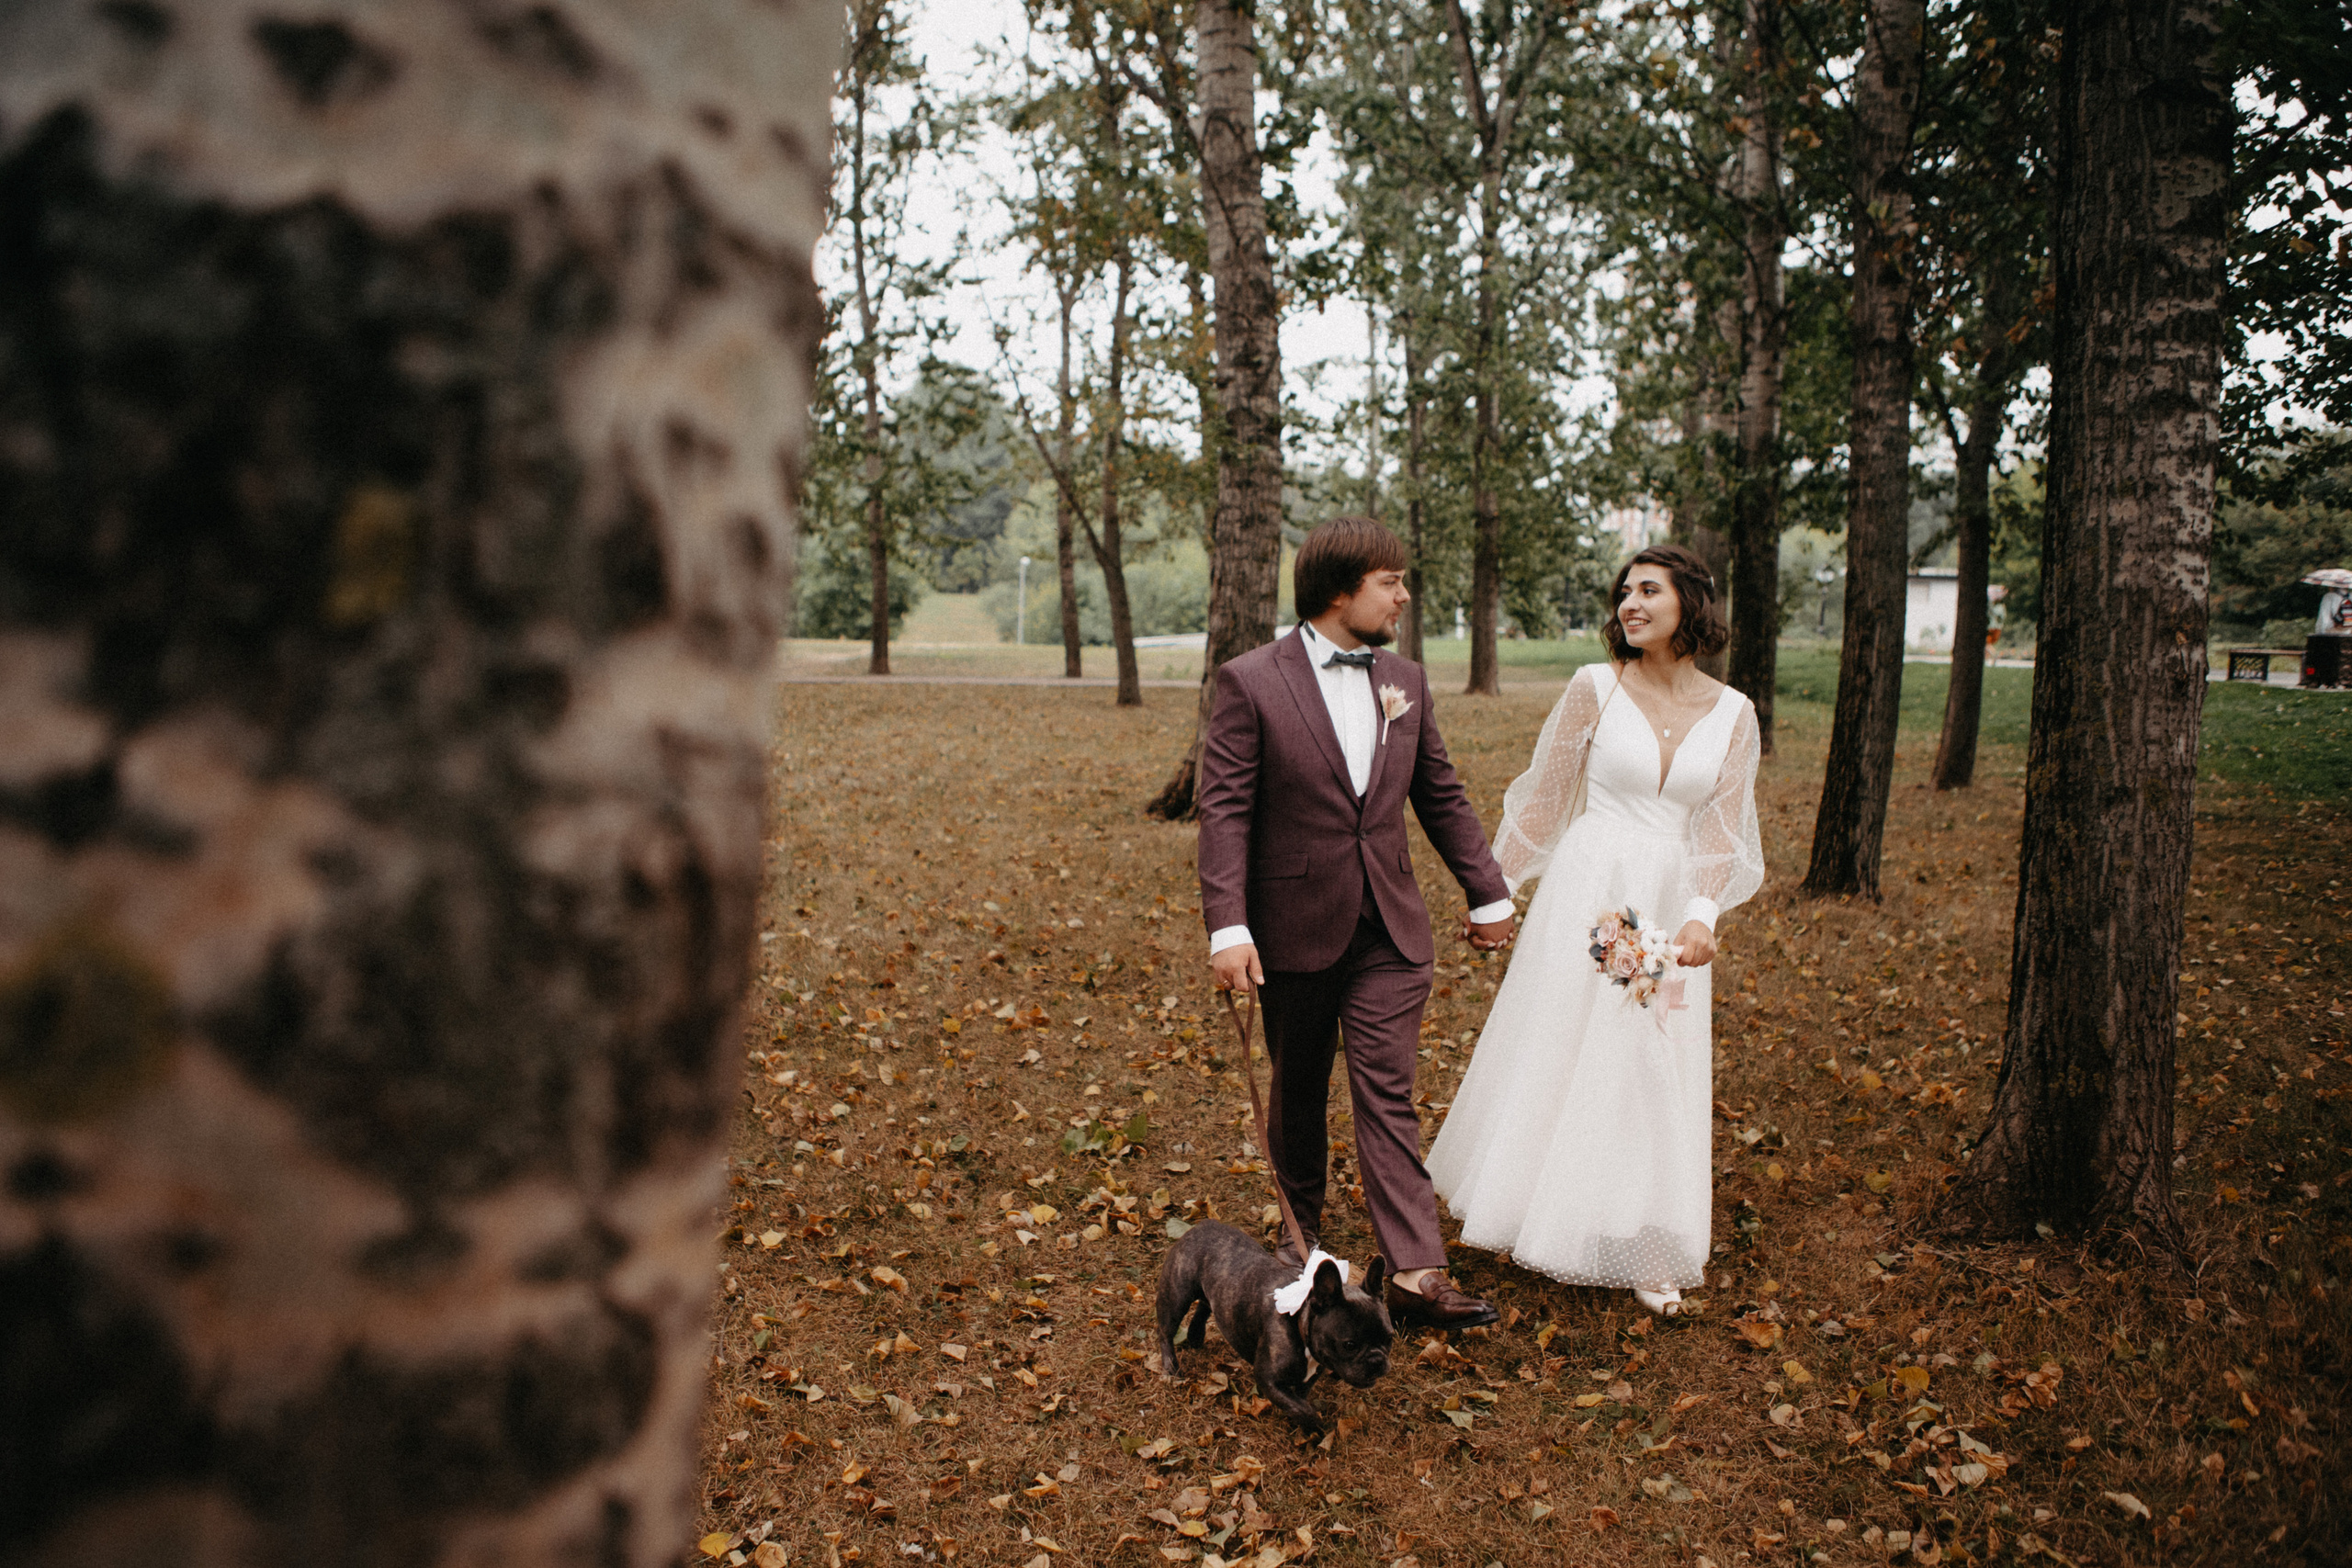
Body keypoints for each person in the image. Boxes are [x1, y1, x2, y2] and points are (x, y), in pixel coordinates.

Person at [1197, 516, 1517, 1332]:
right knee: (1298, 1090)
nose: (1404, 595)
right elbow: (1225, 810)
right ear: (1340, 591)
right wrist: (1227, 926)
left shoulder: (1404, 678)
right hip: (1292, 926)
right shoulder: (1250, 680)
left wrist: (1487, 892)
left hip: (1390, 928)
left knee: (1386, 1092)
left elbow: (1438, 790)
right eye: (1390, 581)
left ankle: (1415, 1268)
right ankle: (1299, 1243)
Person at [1426, 544, 1763, 1317]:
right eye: (1624, 593)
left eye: (1649, 589)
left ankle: (1641, 1226)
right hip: (1594, 894)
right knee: (1590, 1041)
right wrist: (1494, 892)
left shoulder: (1735, 712)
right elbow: (1542, 801)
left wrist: (1703, 914)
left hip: (1669, 901)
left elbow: (1722, 829)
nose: (1629, 604)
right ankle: (1546, 1208)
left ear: (1691, 602)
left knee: (1650, 1051)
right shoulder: (1593, 689)